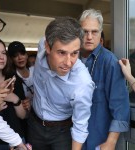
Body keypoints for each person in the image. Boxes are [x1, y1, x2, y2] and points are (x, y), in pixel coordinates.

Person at [27, 17, 94, 150]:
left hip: (61, 133)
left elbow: (80, 125)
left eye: (74, 53)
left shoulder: (83, 83)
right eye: (62, 53)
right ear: (47, 47)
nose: (68, 63)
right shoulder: (42, 44)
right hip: (34, 125)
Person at [79, 9, 130, 150]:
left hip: (97, 140)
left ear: (100, 33)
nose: (89, 37)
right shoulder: (72, 59)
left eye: (94, 32)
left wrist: (111, 142)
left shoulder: (109, 61)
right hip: (72, 138)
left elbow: (120, 106)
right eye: (85, 31)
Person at [0, 0, 27, 149]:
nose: (0, 57)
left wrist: (15, 99)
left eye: (3, 53)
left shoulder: (13, 80)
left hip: (17, 137)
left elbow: (23, 116)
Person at [8, 41, 33, 141]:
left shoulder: (36, 71)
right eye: (15, 55)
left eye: (22, 53)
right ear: (11, 59)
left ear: (26, 55)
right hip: (23, 123)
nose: (20, 58)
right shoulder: (11, 79)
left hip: (40, 120)